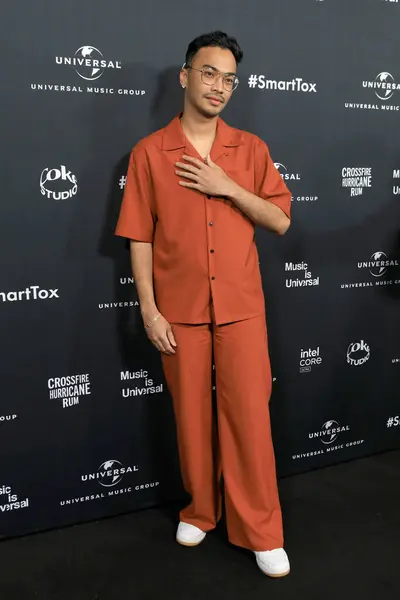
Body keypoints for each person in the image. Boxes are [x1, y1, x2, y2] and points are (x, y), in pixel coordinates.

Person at [115, 30, 292, 578]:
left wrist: (227, 187)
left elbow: (281, 220)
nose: (220, 86)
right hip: (179, 312)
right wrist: (149, 309)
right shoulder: (149, 153)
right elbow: (139, 236)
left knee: (249, 422)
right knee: (191, 418)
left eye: (230, 79)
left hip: (241, 308)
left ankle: (261, 531)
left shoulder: (251, 150)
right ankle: (200, 510)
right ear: (185, 75)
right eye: (209, 73)